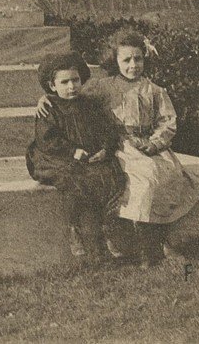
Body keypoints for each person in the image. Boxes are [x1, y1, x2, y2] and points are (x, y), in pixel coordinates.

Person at [36, 29, 199, 267]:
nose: (133, 65)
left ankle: (163, 239)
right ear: (115, 61)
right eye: (126, 60)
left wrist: (155, 142)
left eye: (138, 58)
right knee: (144, 180)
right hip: (122, 145)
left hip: (151, 145)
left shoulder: (155, 90)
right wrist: (45, 98)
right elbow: (70, 92)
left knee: (168, 174)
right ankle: (147, 247)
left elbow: (168, 122)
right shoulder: (105, 87)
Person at [26, 52, 126, 260]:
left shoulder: (89, 105)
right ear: (52, 86)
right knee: (71, 177)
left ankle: (108, 229)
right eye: (64, 82)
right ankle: (74, 229)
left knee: (109, 174)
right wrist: (72, 151)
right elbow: (47, 140)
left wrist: (105, 150)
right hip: (56, 155)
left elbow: (106, 130)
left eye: (75, 80)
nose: (71, 86)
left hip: (89, 153)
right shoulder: (49, 108)